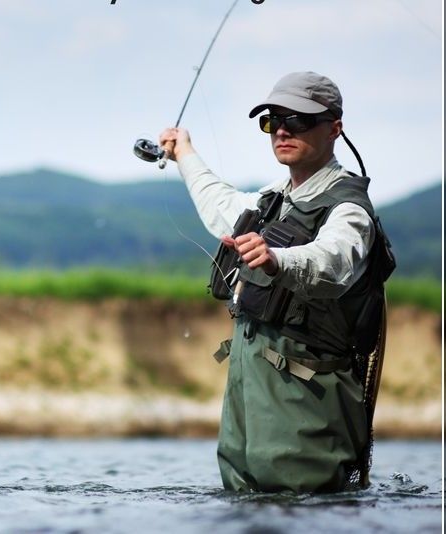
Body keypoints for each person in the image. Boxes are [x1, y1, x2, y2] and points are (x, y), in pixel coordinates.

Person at [159, 71, 391, 493]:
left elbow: (334, 261)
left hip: (306, 404)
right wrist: (186, 154)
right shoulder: (272, 199)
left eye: (299, 120)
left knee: (305, 507)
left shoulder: (350, 210)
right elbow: (223, 206)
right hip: (248, 400)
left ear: (334, 128)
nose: (282, 129)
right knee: (240, 503)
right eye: (273, 120)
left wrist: (275, 259)